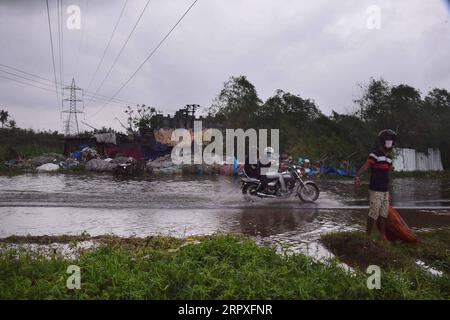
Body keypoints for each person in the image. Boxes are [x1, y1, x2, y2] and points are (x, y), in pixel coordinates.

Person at [355, 129, 397, 242]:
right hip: (375, 189)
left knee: (383, 214)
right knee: (373, 213)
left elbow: (388, 175)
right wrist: (357, 176)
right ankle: (367, 236)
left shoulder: (389, 159)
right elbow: (366, 166)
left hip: (385, 190)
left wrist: (389, 191)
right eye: (388, 141)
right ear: (383, 141)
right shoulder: (375, 155)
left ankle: (382, 236)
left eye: (391, 141)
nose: (390, 143)